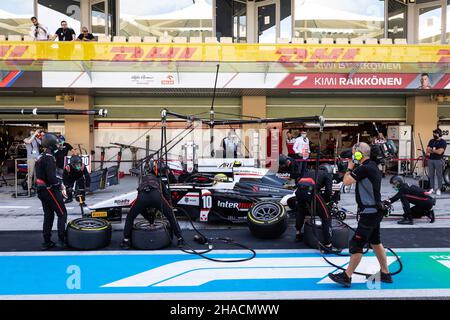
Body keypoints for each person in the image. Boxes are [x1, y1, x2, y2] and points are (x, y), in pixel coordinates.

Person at [328, 142, 392, 287]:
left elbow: (346, 181)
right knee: (375, 242)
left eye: (354, 153)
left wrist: (350, 166)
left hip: (369, 213)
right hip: (375, 211)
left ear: (359, 154)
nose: (352, 155)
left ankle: (347, 276)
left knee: (356, 244)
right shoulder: (372, 166)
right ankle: (385, 273)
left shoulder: (365, 168)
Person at [121, 162, 183, 249]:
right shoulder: (158, 180)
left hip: (142, 197)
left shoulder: (143, 180)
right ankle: (180, 239)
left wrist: (148, 216)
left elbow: (139, 199)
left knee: (130, 216)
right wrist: (169, 207)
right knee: (171, 216)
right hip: (156, 196)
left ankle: (126, 241)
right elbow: (166, 195)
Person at [35, 133, 68, 249]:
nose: (58, 145)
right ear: (51, 145)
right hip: (49, 189)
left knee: (48, 215)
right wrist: (60, 186)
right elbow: (51, 178)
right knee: (62, 213)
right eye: (56, 143)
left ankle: (46, 241)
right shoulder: (49, 158)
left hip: (41, 190)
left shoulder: (41, 157)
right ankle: (61, 240)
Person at [295, 166, 335, 253]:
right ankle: (328, 245)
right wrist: (326, 202)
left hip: (298, 191)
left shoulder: (309, 171)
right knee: (326, 216)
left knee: (301, 211)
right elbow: (328, 191)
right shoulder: (327, 175)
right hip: (311, 191)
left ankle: (297, 234)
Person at [426, 128, 446, 195]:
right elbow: (427, 150)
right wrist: (435, 150)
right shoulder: (431, 141)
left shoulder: (443, 142)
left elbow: (440, 152)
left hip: (438, 160)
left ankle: (439, 189)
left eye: (435, 133)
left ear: (439, 134)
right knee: (431, 175)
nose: (434, 134)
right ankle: (432, 188)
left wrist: (433, 150)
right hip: (430, 160)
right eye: (433, 133)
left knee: (439, 175)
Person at [23, 129, 43, 194]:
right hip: (31, 158)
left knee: (37, 174)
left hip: (37, 158)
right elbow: (29, 142)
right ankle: (29, 188)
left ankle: (36, 186)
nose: (33, 133)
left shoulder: (36, 139)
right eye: (32, 133)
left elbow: (42, 143)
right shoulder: (26, 139)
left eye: (34, 132)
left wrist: (41, 136)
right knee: (30, 174)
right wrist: (34, 134)